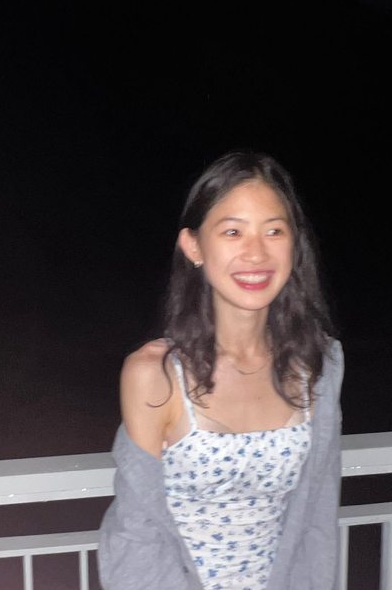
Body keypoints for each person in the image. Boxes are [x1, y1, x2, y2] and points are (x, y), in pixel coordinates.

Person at [98, 150, 344, 590]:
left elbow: (317, 520)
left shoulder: (318, 367)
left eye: (274, 231)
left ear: (294, 245)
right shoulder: (155, 375)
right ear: (194, 246)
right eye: (233, 231)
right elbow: (136, 537)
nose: (256, 252)